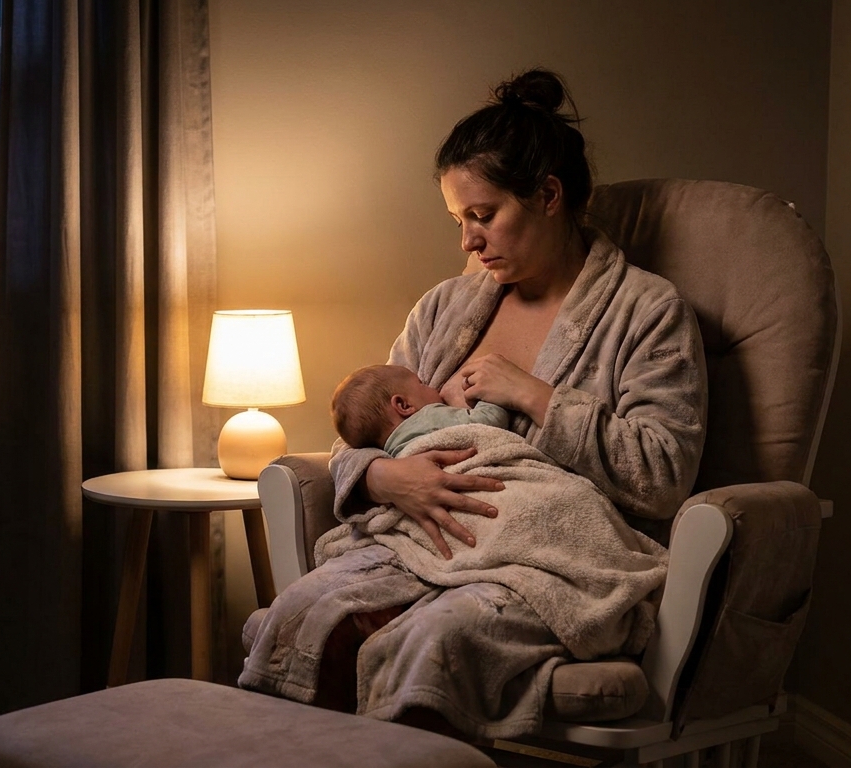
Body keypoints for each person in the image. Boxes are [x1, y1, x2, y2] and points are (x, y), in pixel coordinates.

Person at [238, 68, 707, 741]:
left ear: (547, 195)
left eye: (482, 216)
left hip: (543, 559)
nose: (467, 242)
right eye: (460, 221)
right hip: (417, 544)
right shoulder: (445, 308)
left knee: (439, 640)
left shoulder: (647, 312)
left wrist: (534, 394)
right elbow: (362, 432)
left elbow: (662, 475)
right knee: (307, 614)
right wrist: (381, 475)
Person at [330, 363, 511, 455]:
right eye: (421, 384)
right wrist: (488, 392)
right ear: (404, 405)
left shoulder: (390, 454)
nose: (432, 387)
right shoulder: (429, 418)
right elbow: (490, 421)